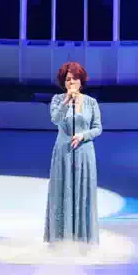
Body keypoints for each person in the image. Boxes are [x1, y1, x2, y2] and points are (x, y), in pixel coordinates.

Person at [44, 62, 102, 244]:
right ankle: (60, 239)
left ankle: (84, 239)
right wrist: (67, 101)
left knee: (83, 194)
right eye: (68, 79)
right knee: (62, 193)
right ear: (64, 82)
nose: (71, 82)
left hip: (85, 154)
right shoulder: (57, 99)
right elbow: (55, 119)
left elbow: (98, 128)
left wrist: (83, 135)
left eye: (75, 79)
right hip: (63, 153)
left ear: (81, 81)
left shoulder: (91, 102)